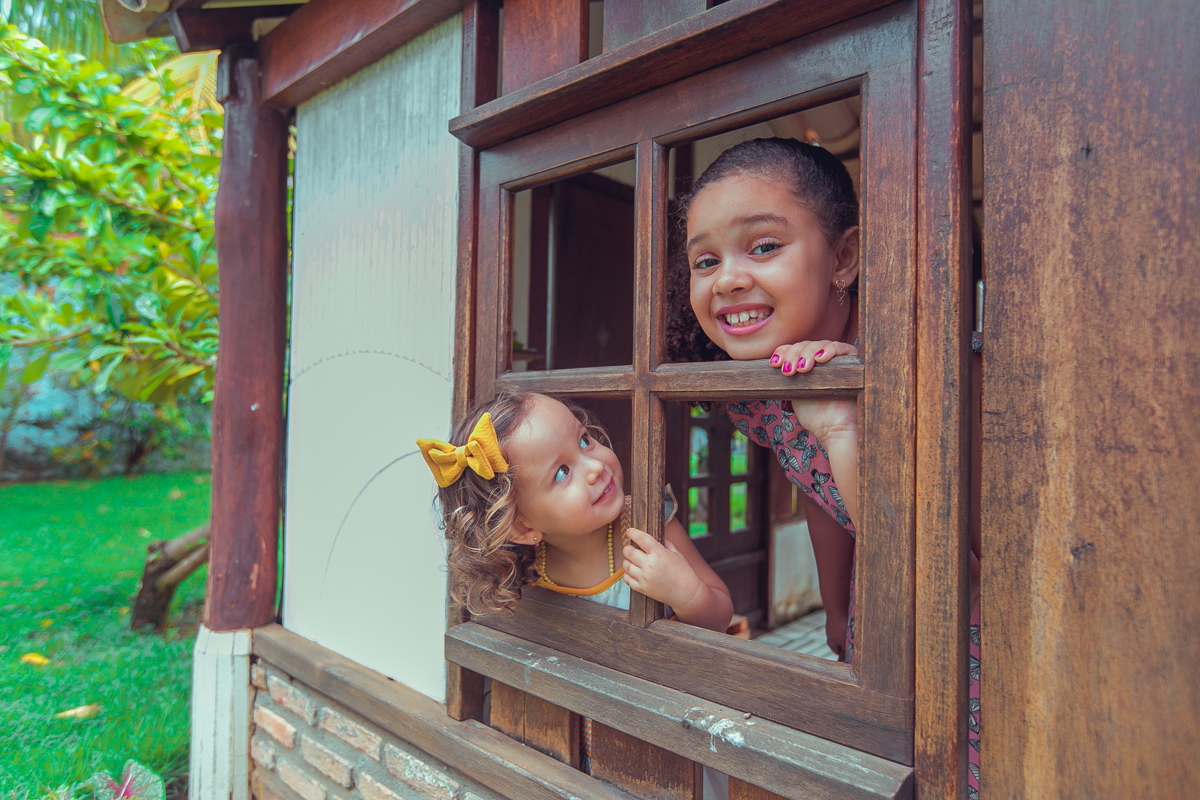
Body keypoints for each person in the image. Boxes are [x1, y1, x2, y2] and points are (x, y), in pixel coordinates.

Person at [669, 137, 980, 797]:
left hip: (977, 633)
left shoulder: (931, 367)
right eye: (705, 260)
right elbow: (819, 490)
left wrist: (843, 429)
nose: (727, 280)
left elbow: (949, 571)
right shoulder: (762, 392)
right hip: (882, 618)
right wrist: (837, 610)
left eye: (763, 246)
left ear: (843, 258)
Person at [419, 391, 733, 632]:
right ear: (522, 529)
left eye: (584, 441)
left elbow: (721, 617)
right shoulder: (527, 571)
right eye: (562, 472)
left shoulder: (647, 525)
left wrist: (686, 594)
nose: (595, 466)